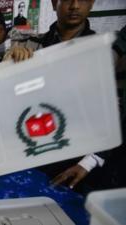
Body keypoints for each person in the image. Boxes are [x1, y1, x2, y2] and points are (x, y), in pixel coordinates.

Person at [6, 0, 110, 192]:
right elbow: (11, 97)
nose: (75, 5)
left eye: (83, 0)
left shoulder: (103, 51)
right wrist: (9, 65)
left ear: (93, 3)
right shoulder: (31, 45)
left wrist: (89, 162)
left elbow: (113, 111)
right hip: (32, 151)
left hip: (76, 162)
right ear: (54, 4)